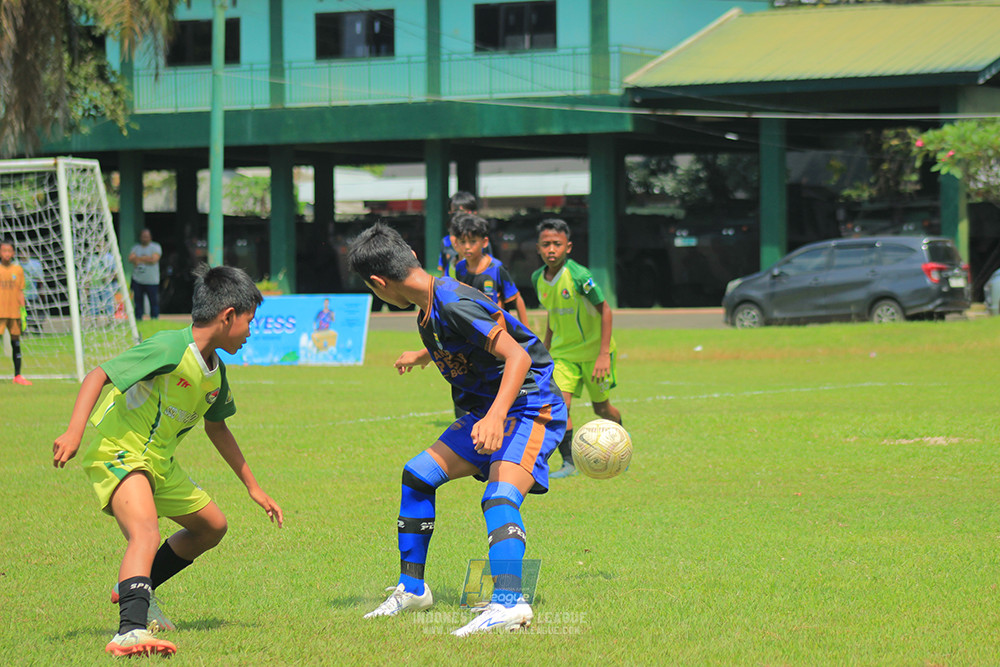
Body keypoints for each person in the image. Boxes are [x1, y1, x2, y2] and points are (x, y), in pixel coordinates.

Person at [52, 264, 284, 658]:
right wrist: (74, 432)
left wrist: (254, 487)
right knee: (145, 532)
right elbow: (98, 375)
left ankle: (135, 583)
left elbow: (218, 429)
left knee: (212, 527)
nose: (250, 332)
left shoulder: (216, 372)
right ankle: (130, 631)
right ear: (228, 316)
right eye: (250, 321)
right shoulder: (168, 348)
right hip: (121, 451)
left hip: (161, 464)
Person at [349, 222, 565, 636]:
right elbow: (462, 342)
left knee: (500, 495)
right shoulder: (429, 303)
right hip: (494, 407)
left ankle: (509, 604)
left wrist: (497, 416)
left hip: (530, 404)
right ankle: (413, 589)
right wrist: (423, 354)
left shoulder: (451, 301)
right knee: (417, 475)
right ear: (409, 253)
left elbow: (517, 356)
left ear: (378, 282)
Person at [532, 219, 623, 479]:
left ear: (568, 247)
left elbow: (605, 309)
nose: (551, 249)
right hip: (563, 355)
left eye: (557, 244)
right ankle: (569, 462)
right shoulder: (538, 278)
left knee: (602, 409)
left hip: (595, 354)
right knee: (561, 405)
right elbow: (552, 314)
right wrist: (546, 347)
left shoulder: (581, 276)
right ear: (538, 248)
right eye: (546, 244)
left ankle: (621, 448)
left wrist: (603, 354)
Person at [452, 212, 528, 324]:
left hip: (497, 329)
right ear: (456, 243)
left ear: (484, 242)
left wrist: (527, 332)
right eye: (463, 242)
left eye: (473, 241)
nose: (467, 247)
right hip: (473, 329)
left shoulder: (496, 268)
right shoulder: (460, 268)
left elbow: (516, 299)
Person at [437, 191, 492, 277]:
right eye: (455, 212)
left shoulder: (482, 242)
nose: (459, 216)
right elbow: (443, 270)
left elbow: (489, 268)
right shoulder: (445, 242)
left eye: (464, 212)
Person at [0, 238, 31, 385]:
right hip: (0, 313)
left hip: (14, 313)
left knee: (16, 343)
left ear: (13, 253)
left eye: (9, 251)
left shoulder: (18, 270)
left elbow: (20, 291)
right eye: (4, 250)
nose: (6, 253)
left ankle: (18, 375)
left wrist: (23, 310)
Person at [128, 229, 162, 320]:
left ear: (150, 237)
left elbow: (154, 260)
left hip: (152, 280)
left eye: (146, 236)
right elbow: (131, 259)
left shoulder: (155, 247)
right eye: (143, 236)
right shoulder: (135, 248)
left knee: (153, 301)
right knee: (138, 302)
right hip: (138, 280)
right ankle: (138, 319)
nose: (145, 238)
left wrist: (138, 259)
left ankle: (154, 318)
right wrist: (147, 258)